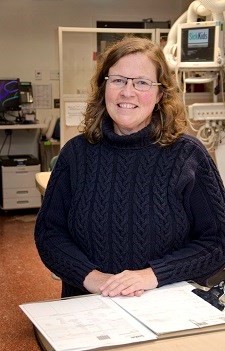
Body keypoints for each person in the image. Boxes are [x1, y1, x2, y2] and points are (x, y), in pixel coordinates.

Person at [35, 36, 225, 298]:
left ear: (160, 94)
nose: (128, 92)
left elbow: (218, 242)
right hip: (88, 303)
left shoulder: (188, 156)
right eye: (118, 80)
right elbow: (49, 233)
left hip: (165, 305)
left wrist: (153, 275)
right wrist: (92, 278)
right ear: (104, 87)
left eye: (142, 83)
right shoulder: (76, 154)